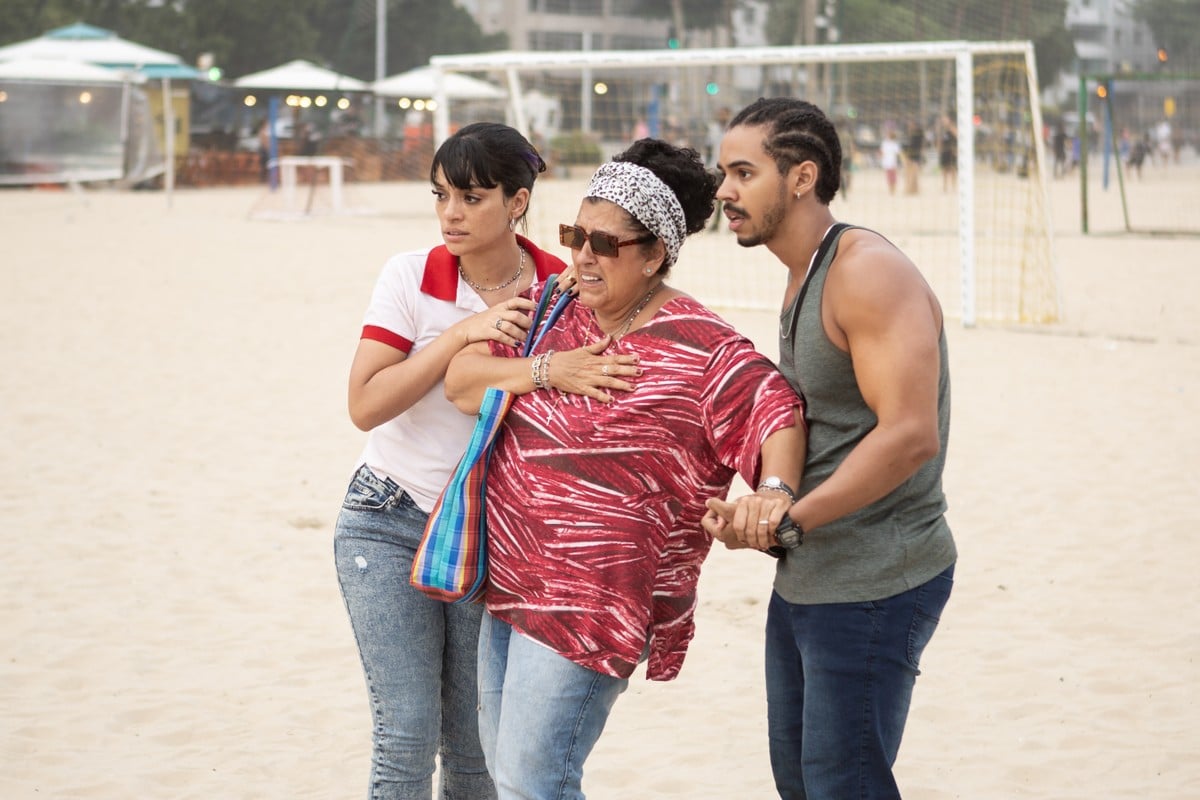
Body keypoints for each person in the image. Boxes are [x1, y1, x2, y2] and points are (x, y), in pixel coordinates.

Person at [443, 138, 806, 799]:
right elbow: (464, 381)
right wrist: (548, 369)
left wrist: (773, 492)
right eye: (575, 234)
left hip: (595, 602)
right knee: (506, 773)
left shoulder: (704, 349)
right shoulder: (554, 304)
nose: (582, 254)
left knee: (533, 780)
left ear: (656, 254)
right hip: (510, 580)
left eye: (604, 244)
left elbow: (773, 408)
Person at [707, 97, 957, 799]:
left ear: (801, 177)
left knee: (842, 786)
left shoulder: (864, 271)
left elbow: (910, 434)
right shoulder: (804, 272)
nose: (724, 190)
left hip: (878, 578)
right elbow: (825, 427)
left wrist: (790, 519)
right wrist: (762, 506)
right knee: (802, 782)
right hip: (812, 574)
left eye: (742, 172)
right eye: (723, 172)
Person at [333, 122, 568, 800]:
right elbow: (365, 403)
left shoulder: (556, 288)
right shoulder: (412, 273)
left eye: (471, 197)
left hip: (489, 535)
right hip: (386, 516)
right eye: (440, 196)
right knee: (405, 737)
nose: (451, 215)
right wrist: (458, 335)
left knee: (475, 749)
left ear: (518, 201)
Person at [902, 119, 924, 195]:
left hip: (914, 155)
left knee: (911, 173)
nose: (909, 126)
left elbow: (918, 145)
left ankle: (909, 189)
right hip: (912, 154)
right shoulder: (913, 133)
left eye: (910, 124)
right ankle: (913, 189)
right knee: (911, 173)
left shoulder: (918, 132)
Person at [879, 126, 902, 195]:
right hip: (888, 163)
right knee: (891, 178)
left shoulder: (893, 143)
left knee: (892, 178)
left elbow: (898, 153)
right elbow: (881, 153)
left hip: (891, 163)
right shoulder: (886, 143)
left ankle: (892, 190)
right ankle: (891, 190)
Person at [938, 114, 958, 193]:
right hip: (944, 152)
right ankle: (945, 187)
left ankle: (954, 187)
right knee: (944, 170)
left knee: (953, 170)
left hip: (952, 152)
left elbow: (957, 136)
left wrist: (956, 149)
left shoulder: (952, 128)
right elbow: (940, 141)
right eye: (942, 120)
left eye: (945, 120)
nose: (943, 122)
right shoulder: (942, 130)